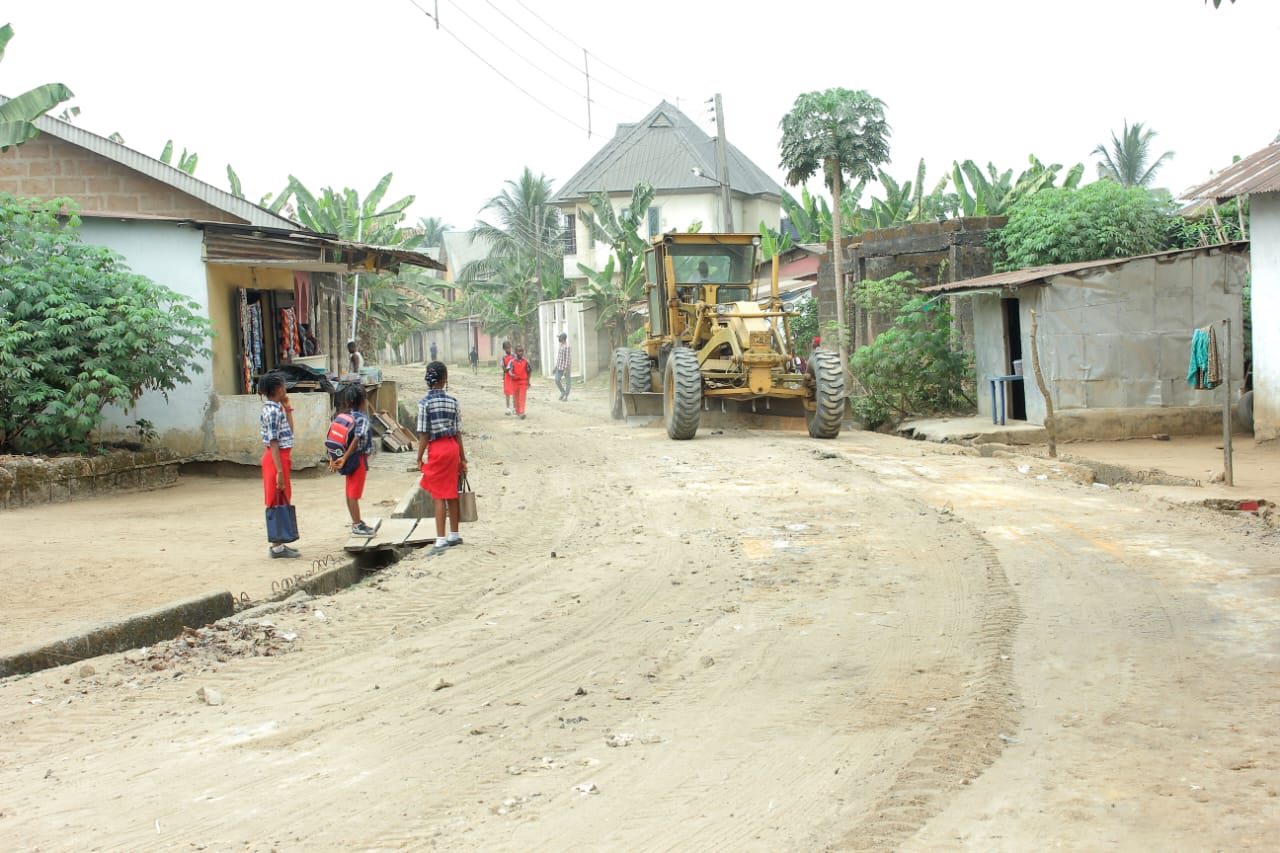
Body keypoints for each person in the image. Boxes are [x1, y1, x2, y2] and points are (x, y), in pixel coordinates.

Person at [416, 361, 467, 551]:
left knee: (438, 496)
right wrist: (463, 459)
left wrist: (419, 457)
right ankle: (454, 534)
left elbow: (423, 434)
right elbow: (458, 432)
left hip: (437, 450)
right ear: (445, 379)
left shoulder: (424, 404)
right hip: (453, 448)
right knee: (452, 492)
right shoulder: (453, 402)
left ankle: (440, 539)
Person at [259, 372, 300, 559]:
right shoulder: (273, 411)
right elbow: (274, 443)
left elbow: (289, 432)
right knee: (275, 500)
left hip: (280, 457)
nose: (285, 389)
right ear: (277, 389)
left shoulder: (277, 408)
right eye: (283, 386)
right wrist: (280, 472)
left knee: (282, 498)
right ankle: (276, 546)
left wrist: (288, 408)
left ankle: (280, 543)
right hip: (276, 459)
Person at [330, 384, 377, 537]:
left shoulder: (345, 417)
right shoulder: (362, 419)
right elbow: (357, 438)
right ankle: (357, 525)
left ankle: (356, 521)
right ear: (363, 401)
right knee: (354, 494)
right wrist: (346, 457)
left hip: (348, 459)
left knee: (350, 491)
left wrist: (340, 457)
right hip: (357, 459)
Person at [509, 344, 531, 419]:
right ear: (516, 352)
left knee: (522, 397)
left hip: (523, 381)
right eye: (519, 351)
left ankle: (522, 412)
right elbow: (510, 370)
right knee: (516, 398)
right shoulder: (512, 362)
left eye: (522, 351)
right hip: (515, 382)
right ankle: (518, 411)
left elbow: (529, 371)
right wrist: (511, 374)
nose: (520, 353)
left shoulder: (526, 361)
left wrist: (528, 381)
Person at [554, 332, 572, 401]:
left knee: (568, 382)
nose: (559, 339)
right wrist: (555, 366)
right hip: (559, 366)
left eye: (560, 338)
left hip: (565, 367)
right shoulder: (561, 345)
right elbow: (559, 357)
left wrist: (565, 369)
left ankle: (566, 396)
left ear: (563, 339)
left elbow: (567, 359)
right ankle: (562, 392)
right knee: (557, 380)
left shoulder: (567, 347)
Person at [500, 340, 515, 415]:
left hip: (514, 376)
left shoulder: (514, 356)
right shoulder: (503, 357)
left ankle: (515, 408)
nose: (508, 349)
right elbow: (503, 367)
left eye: (509, 348)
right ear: (504, 349)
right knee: (507, 393)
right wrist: (507, 369)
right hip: (507, 377)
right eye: (506, 348)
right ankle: (508, 408)